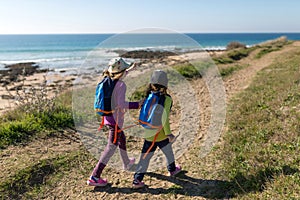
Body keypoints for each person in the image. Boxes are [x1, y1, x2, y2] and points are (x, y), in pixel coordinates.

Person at [87, 57, 141, 187]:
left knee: (122, 138)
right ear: (121, 72)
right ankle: (95, 176)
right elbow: (122, 104)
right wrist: (138, 104)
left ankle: (127, 163)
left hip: (107, 118)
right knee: (111, 147)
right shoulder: (121, 85)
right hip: (115, 121)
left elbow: (120, 75)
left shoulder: (107, 79)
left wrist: (130, 69)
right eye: (125, 70)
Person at [132, 70, 181, 189]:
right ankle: (171, 170)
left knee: (146, 156)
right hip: (160, 134)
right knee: (167, 152)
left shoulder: (148, 96)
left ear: (151, 84)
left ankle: (138, 179)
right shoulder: (167, 99)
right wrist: (169, 134)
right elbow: (164, 120)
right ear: (165, 85)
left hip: (148, 132)